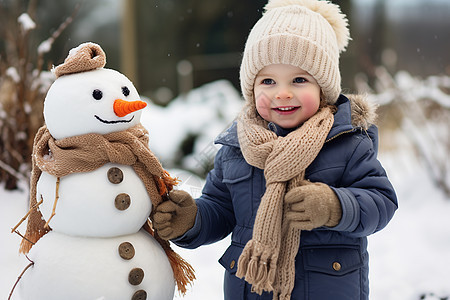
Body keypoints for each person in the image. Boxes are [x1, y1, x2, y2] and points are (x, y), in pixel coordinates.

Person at [152, 0, 398, 299]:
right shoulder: (238, 146)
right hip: (253, 288)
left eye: (299, 79)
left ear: (324, 89)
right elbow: (221, 209)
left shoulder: (346, 142)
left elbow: (381, 202)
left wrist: (334, 206)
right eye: (268, 80)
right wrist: (191, 220)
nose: (282, 92)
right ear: (251, 88)